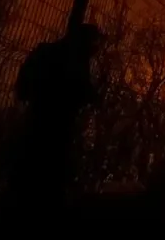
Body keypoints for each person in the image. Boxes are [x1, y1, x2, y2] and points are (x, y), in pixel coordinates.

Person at [10, 23, 103, 206]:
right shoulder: (76, 62)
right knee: (48, 183)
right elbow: (84, 94)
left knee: (25, 180)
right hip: (56, 130)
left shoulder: (48, 52)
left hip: (36, 124)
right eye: (93, 44)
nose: (94, 50)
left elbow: (23, 87)